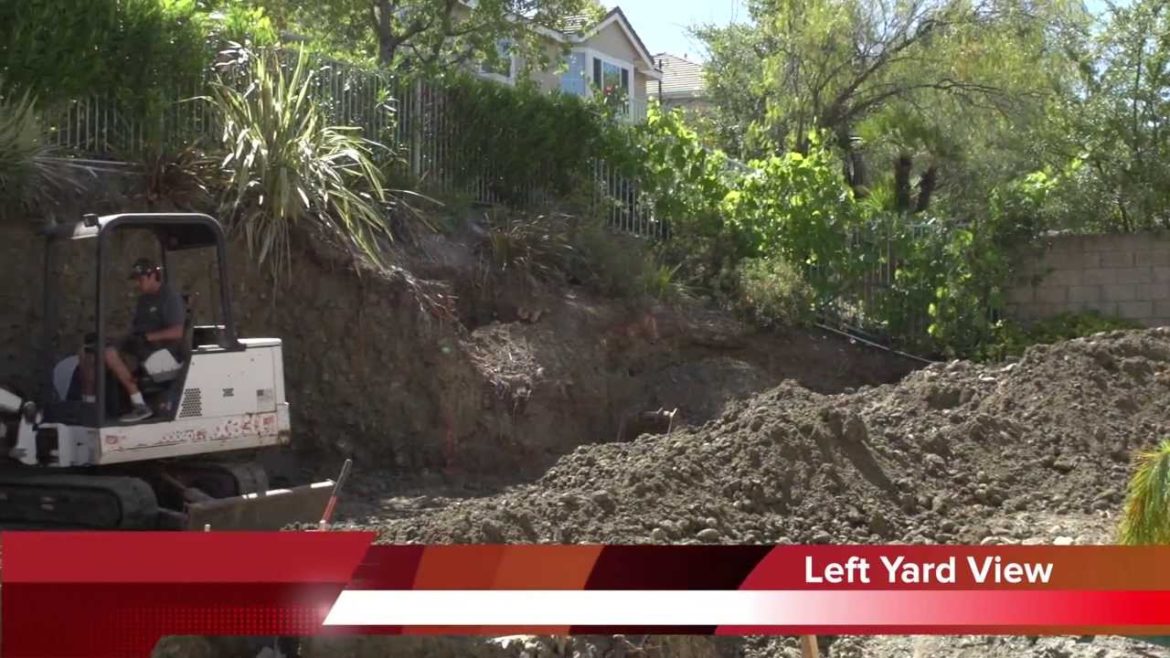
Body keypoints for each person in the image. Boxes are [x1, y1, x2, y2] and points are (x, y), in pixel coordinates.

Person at [79, 257, 186, 422]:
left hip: (162, 351)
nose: (137, 283)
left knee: (109, 353)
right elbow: (136, 329)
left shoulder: (170, 298)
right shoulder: (143, 300)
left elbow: (178, 332)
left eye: (140, 279)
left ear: (152, 276)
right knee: (89, 351)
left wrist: (148, 337)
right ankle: (89, 406)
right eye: (136, 279)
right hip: (140, 345)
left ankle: (140, 404)